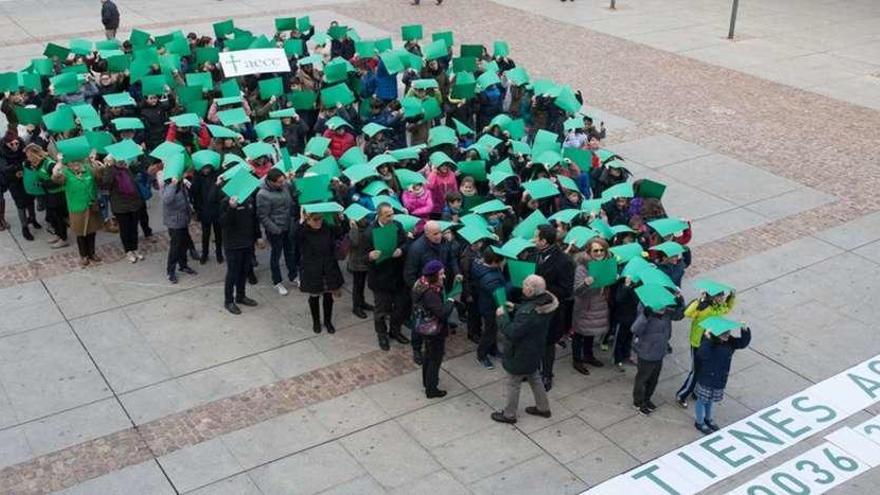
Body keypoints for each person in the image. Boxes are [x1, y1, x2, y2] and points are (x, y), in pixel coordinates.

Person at [490, 274, 558, 424]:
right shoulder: (546, 302)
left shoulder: (529, 313)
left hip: (521, 351)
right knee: (534, 377)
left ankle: (509, 414)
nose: (523, 287)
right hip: (535, 349)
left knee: (514, 382)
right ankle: (543, 407)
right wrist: (516, 307)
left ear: (532, 290)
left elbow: (513, 332)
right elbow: (531, 308)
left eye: (526, 285)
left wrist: (501, 317)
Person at [404, 221, 460, 364]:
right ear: (426, 233)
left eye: (440, 232)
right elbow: (409, 274)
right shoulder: (417, 248)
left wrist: (457, 272)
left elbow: (451, 258)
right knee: (420, 320)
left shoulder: (444, 243)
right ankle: (417, 348)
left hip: (439, 288)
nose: (439, 236)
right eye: (435, 234)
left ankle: (434, 341)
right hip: (423, 292)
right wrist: (421, 291)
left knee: (438, 316)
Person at [676, 286, 736, 408]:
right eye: (720, 296)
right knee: (696, 370)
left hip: (710, 342)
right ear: (713, 297)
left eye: (723, 296)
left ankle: (695, 391)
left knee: (704, 369)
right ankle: (682, 394)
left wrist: (732, 297)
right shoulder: (703, 307)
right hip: (698, 342)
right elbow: (687, 313)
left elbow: (727, 308)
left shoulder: (718, 307)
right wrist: (698, 301)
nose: (722, 298)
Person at [533, 224, 574, 391]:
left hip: (551, 309)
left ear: (543, 241)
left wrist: (543, 287)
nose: (533, 240)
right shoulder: (533, 254)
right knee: (534, 341)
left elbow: (566, 290)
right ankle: (532, 370)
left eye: (536, 237)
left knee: (548, 344)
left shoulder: (564, 261)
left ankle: (547, 374)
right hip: (533, 305)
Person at [631, 292, 685, 415]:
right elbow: (635, 329)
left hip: (659, 352)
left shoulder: (666, 313)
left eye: (664, 306)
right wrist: (645, 316)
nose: (662, 309)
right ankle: (638, 402)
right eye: (660, 307)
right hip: (646, 353)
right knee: (643, 379)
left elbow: (679, 315)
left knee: (654, 379)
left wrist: (680, 301)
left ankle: (647, 398)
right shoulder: (646, 313)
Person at [296, 210, 348, 334]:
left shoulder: (327, 228)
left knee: (328, 296)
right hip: (312, 269)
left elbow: (342, 232)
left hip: (328, 266)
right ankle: (316, 321)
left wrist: (342, 219)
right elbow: (294, 237)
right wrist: (301, 222)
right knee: (314, 297)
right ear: (308, 220)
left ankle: (328, 321)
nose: (318, 221)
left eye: (320, 218)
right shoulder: (304, 231)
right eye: (315, 219)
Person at [366, 203, 410, 350]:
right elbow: (362, 256)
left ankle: (395, 331)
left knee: (399, 307)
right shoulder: (370, 231)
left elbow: (405, 243)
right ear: (379, 215)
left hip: (397, 275)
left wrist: (401, 250)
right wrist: (370, 256)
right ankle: (382, 335)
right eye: (388, 215)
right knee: (381, 310)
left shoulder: (397, 225)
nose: (391, 217)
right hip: (380, 278)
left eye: (392, 214)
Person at [693, 324, 751, 434]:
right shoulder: (709, 343)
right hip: (707, 376)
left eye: (728, 333)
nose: (727, 335)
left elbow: (742, 343)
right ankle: (699, 422)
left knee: (710, 400)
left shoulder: (730, 342)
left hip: (719, 377)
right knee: (702, 400)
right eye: (724, 334)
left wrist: (745, 330)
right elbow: (702, 354)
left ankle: (708, 419)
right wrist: (707, 339)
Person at [411, 260, 454, 398]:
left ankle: (427, 382)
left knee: (428, 356)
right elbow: (442, 313)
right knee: (435, 359)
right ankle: (431, 389)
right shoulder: (430, 294)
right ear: (433, 275)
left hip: (424, 327)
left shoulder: (420, 283)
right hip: (434, 331)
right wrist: (450, 302)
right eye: (441, 274)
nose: (444, 276)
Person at [51, 156, 102, 267]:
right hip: (76, 208)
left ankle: (92, 253)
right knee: (80, 233)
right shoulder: (65, 173)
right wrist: (58, 163)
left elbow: (99, 177)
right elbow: (55, 178)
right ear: (68, 164)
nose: (75, 165)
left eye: (77, 162)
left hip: (91, 206)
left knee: (91, 232)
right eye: (72, 163)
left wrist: (96, 164)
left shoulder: (88, 169)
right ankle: (83, 255)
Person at [571, 238, 611, 375]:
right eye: (596, 250)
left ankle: (588, 355)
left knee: (590, 333)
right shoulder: (582, 267)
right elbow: (576, 290)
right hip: (585, 306)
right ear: (589, 251)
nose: (599, 253)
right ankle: (577, 360)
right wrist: (586, 283)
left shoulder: (606, 264)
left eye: (602, 250)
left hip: (598, 304)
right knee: (579, 333)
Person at [256, 169, 297, 295]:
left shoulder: (285, 186)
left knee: (290, 252)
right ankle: (277, 282)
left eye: (283, 181)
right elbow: (263, 216)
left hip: (288, 226)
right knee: (276, 256)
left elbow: (294, 193)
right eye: (279, 182)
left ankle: (293, 276)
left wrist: (293, 181)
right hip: (276, 230)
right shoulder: (262, 195)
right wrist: (275, 229)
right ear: (270, 182)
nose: (282, 184)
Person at [218, 191, 259, 314]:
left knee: (244, 270)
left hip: (247, 242)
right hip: (233, 244)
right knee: (233, 273)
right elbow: (223, 222)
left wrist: (258, 236)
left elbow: (254, 219)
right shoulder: (225, 202)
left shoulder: (249, 199)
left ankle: (241, 296)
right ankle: (229, 301)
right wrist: (231, 208)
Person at [101, 156, 145, 263]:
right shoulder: (111, 171)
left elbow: (134, 181)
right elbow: (105, 184)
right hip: (120, 205)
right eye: (118, 161)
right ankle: (128, 250)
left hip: (133, 203)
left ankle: (135, 248)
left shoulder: (127, 169)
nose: (121, 162)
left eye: (122, 160)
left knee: (134, 227)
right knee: (125, 229)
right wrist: (109, 168)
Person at [25, 145, 68, 248]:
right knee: (53, 217)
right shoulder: (39, 163)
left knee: (59, 218)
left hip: (57, 194)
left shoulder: (49, 164)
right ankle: (58, 235)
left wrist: (43, 184)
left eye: (28, 155)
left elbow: (59, 180)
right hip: (49, 194)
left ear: (34, 154)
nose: (28, 158)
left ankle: (63, 239)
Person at [472, 249, 506, 369]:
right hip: (490, 307)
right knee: (489, 331)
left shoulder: (480, 266)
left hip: (485, 304)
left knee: (492, 329)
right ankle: (482, 354)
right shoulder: (491, 278)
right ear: (494, 262)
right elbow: (499, 293)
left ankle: (493, 349)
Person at [162, 173, 196, 284]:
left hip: (183, 220)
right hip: (174, 222)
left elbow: (186, 200)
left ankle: (183, 265)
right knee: (175, 247)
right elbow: (167, 200)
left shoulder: (181, 184)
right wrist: (173, 184)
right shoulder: (168, 186)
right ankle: (170, 271)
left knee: (184, 244)